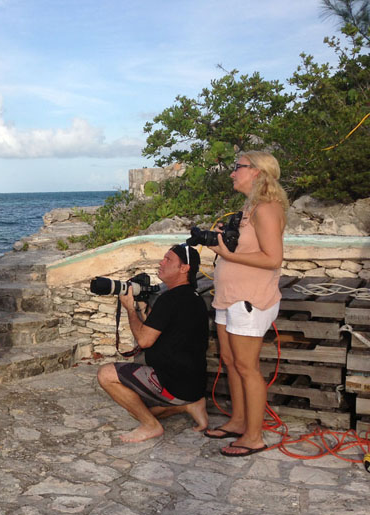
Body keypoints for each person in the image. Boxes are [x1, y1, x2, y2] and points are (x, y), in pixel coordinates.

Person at [204, 151, 288, 457]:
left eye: (237, 167)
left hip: (249, 298)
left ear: (256, 172)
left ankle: (254, 436)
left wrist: (228, 255)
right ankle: (239, 421)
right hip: (229, 296)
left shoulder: (267, 208)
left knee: (247, 367)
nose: (232, 173)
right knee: (229, 360)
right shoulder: (250, 206)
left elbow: (272, 258)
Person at [97, 244, 210, 443]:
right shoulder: (193, 298)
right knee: (138, 408)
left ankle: (150, 426)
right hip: (194, 384)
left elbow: (144, 340)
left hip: (171, 383)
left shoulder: (169, 300)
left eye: (168, 260)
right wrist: (141, 305)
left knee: (106, 375)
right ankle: (188, 405)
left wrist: (130, 309)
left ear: (184, 268)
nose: (161, 262)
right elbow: (156, 325)